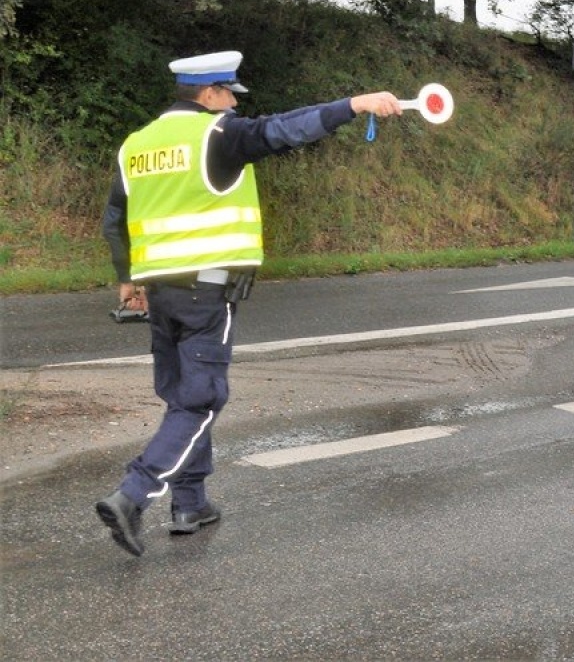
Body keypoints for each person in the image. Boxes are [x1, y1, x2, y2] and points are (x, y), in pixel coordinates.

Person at [94, 50, 401, 557]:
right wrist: (355, 104)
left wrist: (127, 279)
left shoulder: (137, 145)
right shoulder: (217, 135)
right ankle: (133, 494)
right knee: (202, 398)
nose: (234, 106)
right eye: (230, 96)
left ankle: (190, 503)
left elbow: (115, 216)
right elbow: (285, 129)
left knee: (183, 397)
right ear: (210, 93)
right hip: (206, 290)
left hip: (161, 291)